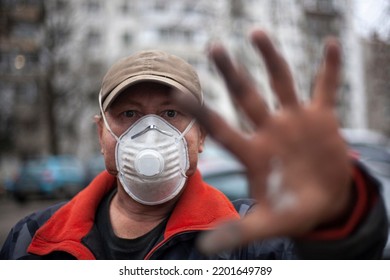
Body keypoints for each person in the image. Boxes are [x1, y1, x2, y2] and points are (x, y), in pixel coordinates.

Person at [0, 29, 387, 260]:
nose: (150, 133)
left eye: (171, 114)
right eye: (129, 114)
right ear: (101, 133)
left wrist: (338, 208)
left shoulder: (251, 238)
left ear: (200, 135)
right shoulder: (32, 239)